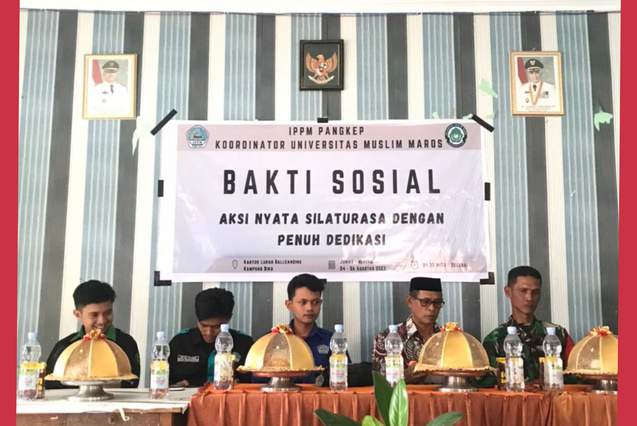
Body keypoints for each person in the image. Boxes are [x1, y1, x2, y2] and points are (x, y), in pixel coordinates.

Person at [481, 266, 575, 386]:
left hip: (554, 397)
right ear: (508, 292)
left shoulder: (558, 334)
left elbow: (576, 373)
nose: (529, 298)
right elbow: (488, 386)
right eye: (523, 291)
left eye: (535, 292)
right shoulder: (495, 339)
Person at [45, 280, 140, 389]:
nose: (102, 321)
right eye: (94, 315)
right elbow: (50, 384)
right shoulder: (64, 347)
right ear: (78, 314)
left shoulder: (126, 343)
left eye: (108, 313)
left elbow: (131, 383)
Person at [168, 288, 254, 387]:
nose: (209, 333)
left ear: (228, 319)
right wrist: (175, 386)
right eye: (203, 325)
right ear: (197, 320)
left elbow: (254, 383)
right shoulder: (180, 342)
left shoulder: (244, 344)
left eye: (216, 327)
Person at [372, 277, 444, 384]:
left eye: (437, 303)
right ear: (410, 301)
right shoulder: (387, 338)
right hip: (405, 395)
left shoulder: (447, 337)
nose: (432, 308)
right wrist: (405, 376)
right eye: (425, 302)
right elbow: (381, 385)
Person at [285, 273, 349, 385]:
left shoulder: (332, 340)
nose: (309, 308)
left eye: (315, 302)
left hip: (322, 396)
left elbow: (346, 375)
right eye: (303, 302)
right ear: (289, 305)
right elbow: (258, 381)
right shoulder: (275, 340)